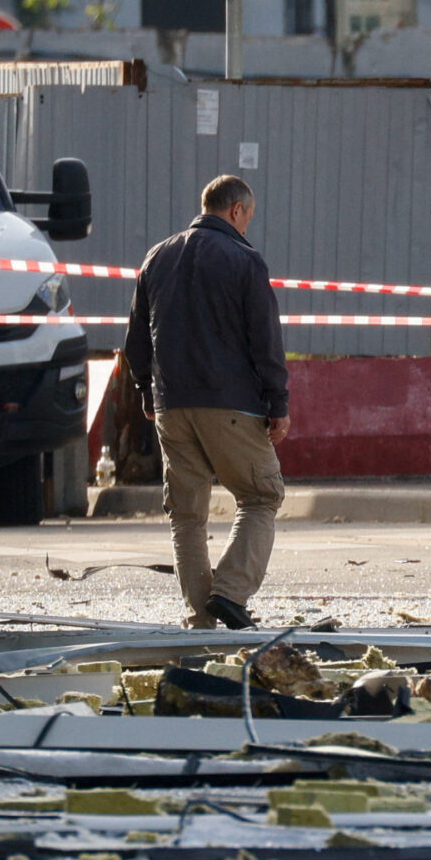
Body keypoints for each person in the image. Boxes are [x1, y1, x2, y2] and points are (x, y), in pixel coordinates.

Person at [124, 174, 291, 630]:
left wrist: (145, 392)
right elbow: (265, 338)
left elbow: (136, 341)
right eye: (248, 217)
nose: (247, 226)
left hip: (170, 405)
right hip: (231, 403)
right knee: (261, 495)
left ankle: (200, 618)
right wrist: (277, 400)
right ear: (236, 210)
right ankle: (231, 594)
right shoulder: (244, 259)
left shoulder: (156, 257)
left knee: (187, 515)